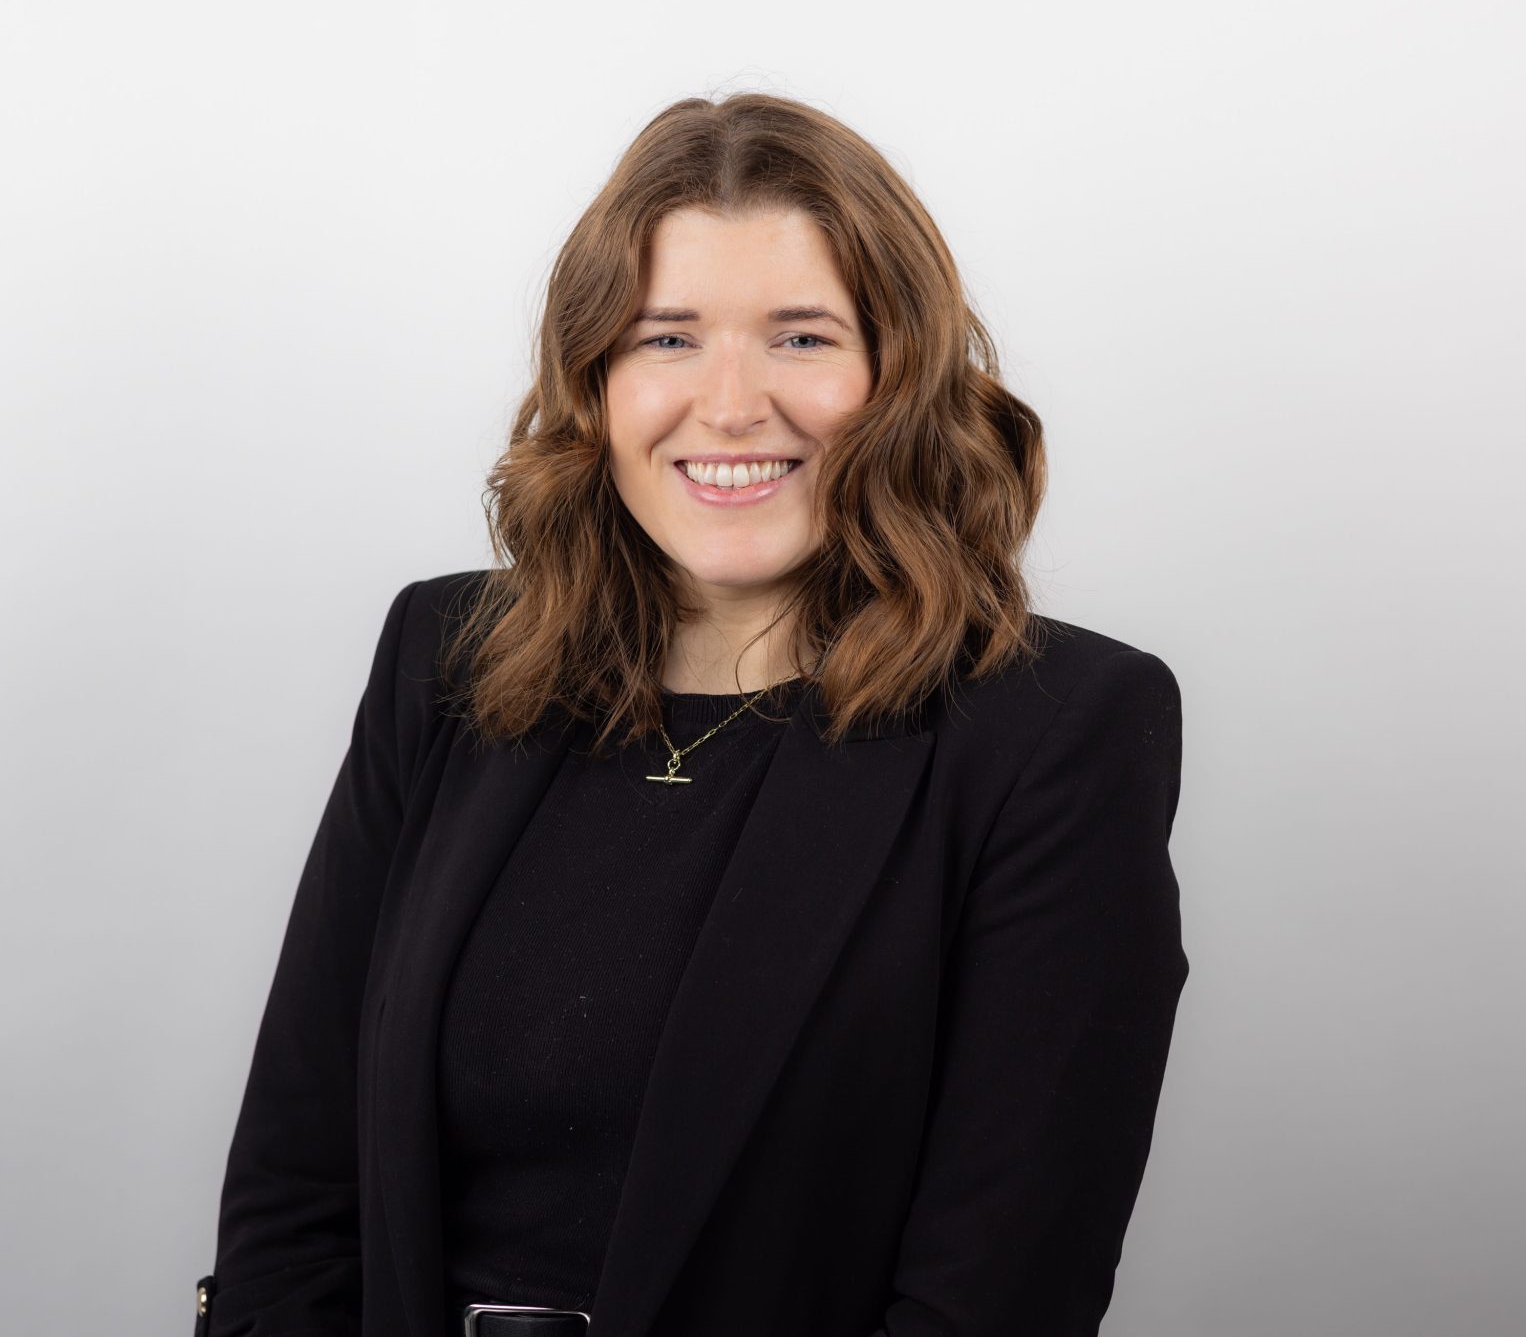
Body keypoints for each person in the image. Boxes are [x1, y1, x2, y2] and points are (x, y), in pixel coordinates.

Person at [194, 91, 1190, 1337]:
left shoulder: (1058, 734)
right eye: (666, 337)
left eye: (801, 337)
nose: (728, 406)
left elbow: (993, 1296)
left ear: (900, 378)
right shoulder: (444, 660)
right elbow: (295, 1191)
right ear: (594, 382)